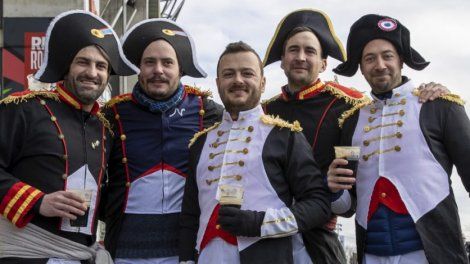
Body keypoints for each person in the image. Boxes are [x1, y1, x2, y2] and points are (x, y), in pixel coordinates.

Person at [262, 9, 449, 263]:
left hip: (319, 235)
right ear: (282, 59)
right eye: (293, 50)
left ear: (324, 63)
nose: (301, 57)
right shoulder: (264, 111)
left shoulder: (350, 106)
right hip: (265, 233)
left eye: (310, 51)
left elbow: (389, 104)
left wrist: (432, 92)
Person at [328, 14, 470, 264]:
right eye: (369, 58)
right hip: (371, 254)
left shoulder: (440, 107)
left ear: (401, 60)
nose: (380, 65)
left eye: (387, 56)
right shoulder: (349, 123)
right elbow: (346, 204)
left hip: (433, 255)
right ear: (361, 67)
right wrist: (332, 190)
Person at [0, 10, 137, 263]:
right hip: (24, 254)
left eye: (101, 66)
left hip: (81, 255)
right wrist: (37, 201)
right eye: (83, 62)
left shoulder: (105, 128)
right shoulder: (24, 108)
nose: (92, 73)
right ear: (66, 66)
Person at [179, 41, 331, 264]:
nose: (238, 80)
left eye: (247, 73)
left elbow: (318, 205)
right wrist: (186, 260)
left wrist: (259, 223)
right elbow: (190, 215)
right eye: (229, 74)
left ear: (262, 83)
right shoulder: (200, 143)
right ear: (218, 83)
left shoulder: (286, 136)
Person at [102, 19, 223, 263]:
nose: (158, 70)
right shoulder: (112, 115)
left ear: (180, 69)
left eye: (167, 62)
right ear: (140, 68)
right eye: (150, 62)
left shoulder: (209, 113)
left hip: (188, 251)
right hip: (126, 252)